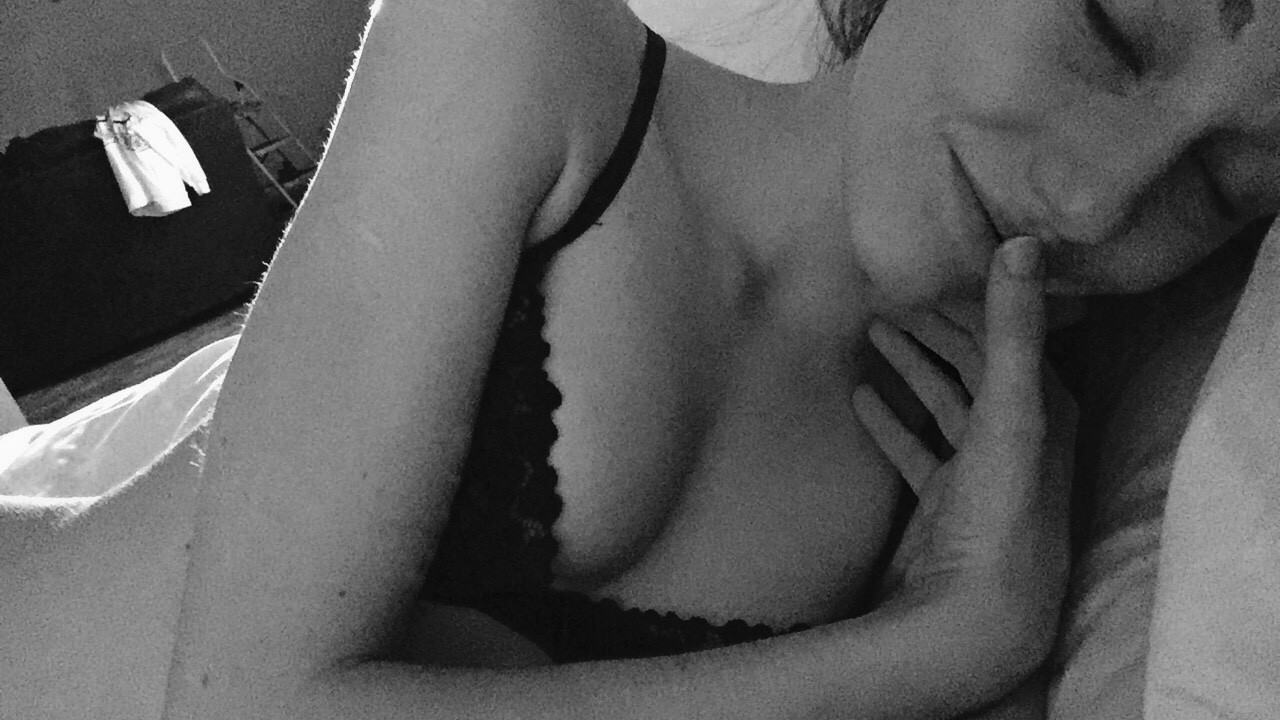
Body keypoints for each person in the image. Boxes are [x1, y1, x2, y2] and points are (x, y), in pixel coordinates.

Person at [2, 0, 1276, 717]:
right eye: (1111, 26)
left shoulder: (991, 478)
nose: (1101, 198)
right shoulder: (524, 47)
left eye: (1220, 182)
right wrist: (935, 649)